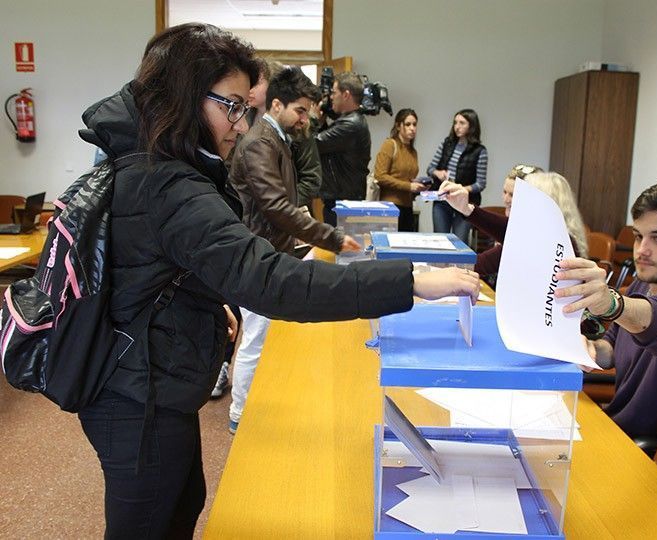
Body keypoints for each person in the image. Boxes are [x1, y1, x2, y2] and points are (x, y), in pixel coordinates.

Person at [75, 23, 479, 539]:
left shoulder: (152, 162)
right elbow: (274, 282)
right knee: (154, 517)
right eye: (234, 105)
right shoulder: (168, 183)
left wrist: (200, 295)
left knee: (181, 499)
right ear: (186, 93)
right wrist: (411, 281)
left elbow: (154, 262)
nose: (241, 125)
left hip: (145, 379)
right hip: (135, 391)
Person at [227, 66, 361, 433]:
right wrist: (330, 237)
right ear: (276, 104)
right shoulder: (259, 143)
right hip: (255, 254)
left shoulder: (278, 140)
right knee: (255, 337)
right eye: (300, 110)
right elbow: (275, 207)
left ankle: (250, 407)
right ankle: (240, 413)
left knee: (264, 335)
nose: (305, 119)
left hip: (271, 250)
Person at [556, 179, 657, 446]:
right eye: (638, 236)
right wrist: (591, 349)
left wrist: (614, 303)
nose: (641, 250)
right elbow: (611, 347)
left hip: (654, 457)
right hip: (614, 432)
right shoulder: (644, 285)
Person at [439, 168, 588, 281]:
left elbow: (508, 232)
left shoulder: (558, 244)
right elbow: (484, 262)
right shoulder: (530, 236)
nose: (511, 201)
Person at [316, 71, 371, 226]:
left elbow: (315, 144)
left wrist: (313, 119)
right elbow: (327, 145)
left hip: (343, 204)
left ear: (346, 95)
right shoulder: (350, 121)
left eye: (334, 93)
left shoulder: (351, 124)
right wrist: (321, 123)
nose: (331, 97)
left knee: (340, 249)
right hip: (342, 200)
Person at [427, 108, 488, 244]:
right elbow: (430, 168)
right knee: (439, 240)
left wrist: (459, 189)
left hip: (465, 202)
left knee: (460, 241)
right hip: (443, 200)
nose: (457, 127)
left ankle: (457, 266)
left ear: (471, 126)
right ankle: (439, 265)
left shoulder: (480, 151)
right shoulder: (446, 144)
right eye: (455, 123)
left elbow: (480, 183)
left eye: (462, 123)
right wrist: (438, 173)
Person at [374, 108, 425, 231]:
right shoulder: (390, 145)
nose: (412, 128)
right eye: (408, 124)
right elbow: (380, 175)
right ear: (398, 126)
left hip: (408, 206)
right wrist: (409, 186)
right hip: (390, 206)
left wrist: (419, 188)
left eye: (414, 124)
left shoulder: (413, 152)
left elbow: (408, 180)